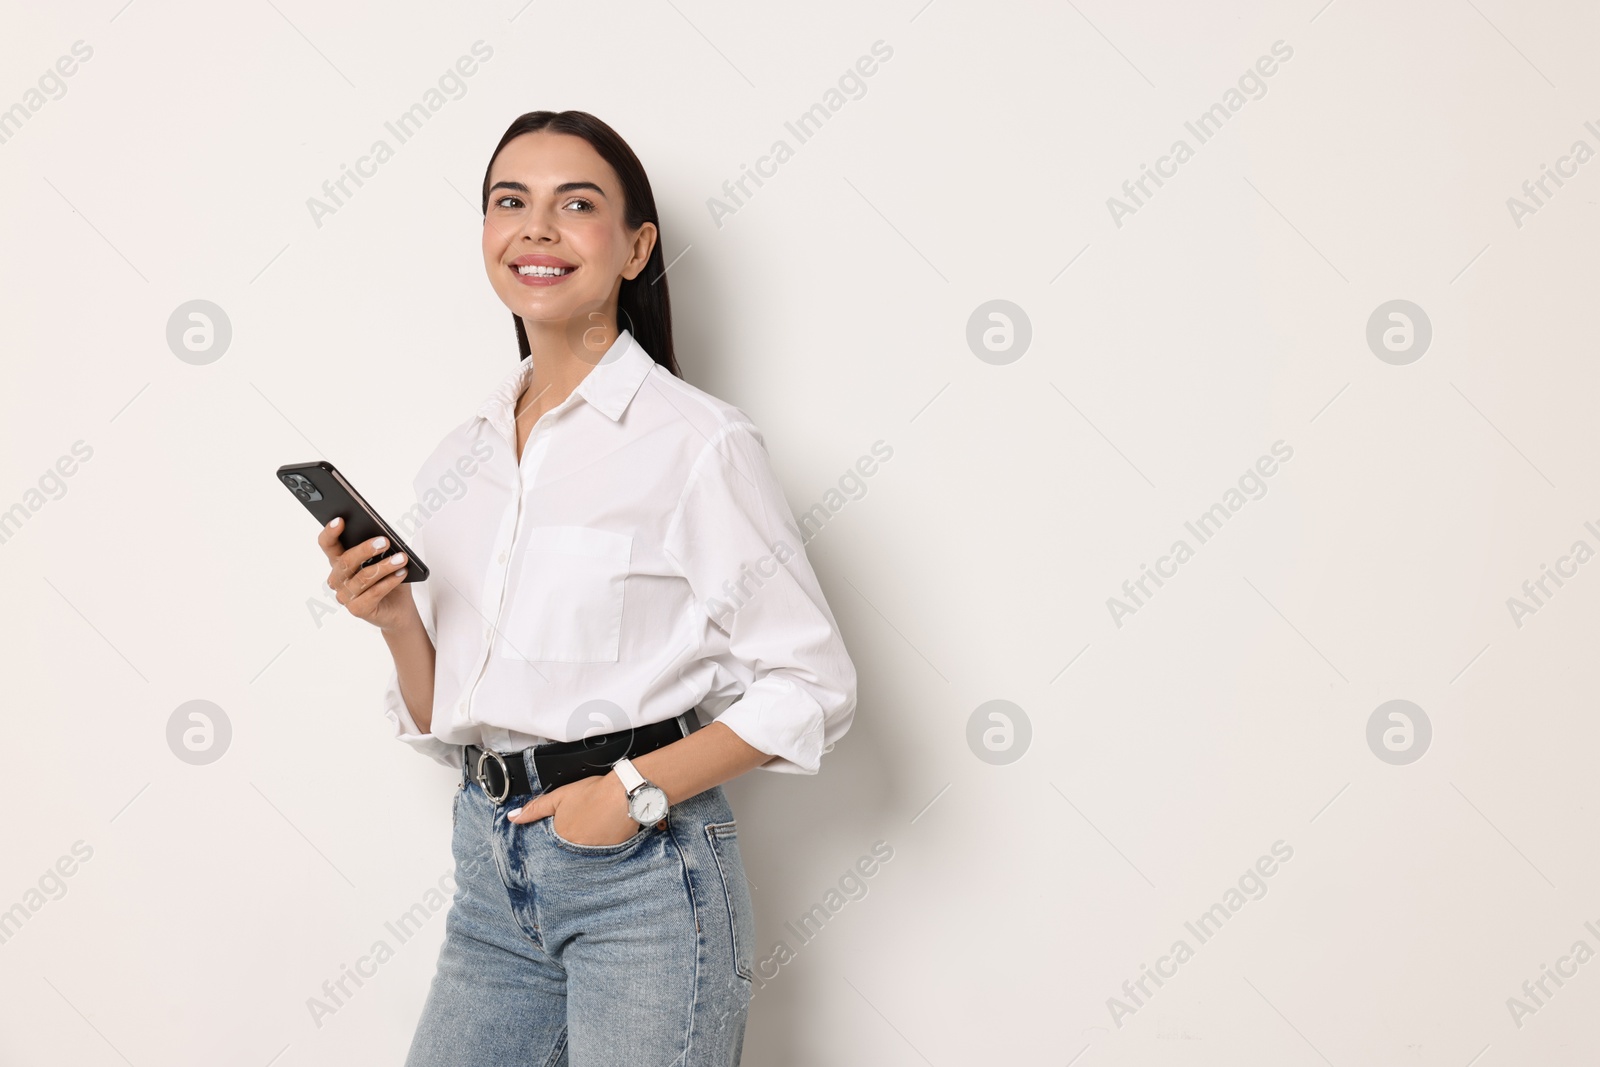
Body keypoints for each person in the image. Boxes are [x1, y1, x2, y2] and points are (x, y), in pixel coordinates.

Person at [315, 110, 857, 1065]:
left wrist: (630, 793)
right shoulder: (463, 456)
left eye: (577, 204)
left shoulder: (696, 443)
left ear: (637, 246)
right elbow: (453, 715)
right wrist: (398, 621)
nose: (537, 227)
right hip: (489, 874)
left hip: (641, 883)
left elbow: (813, 685)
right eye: (509, 202)